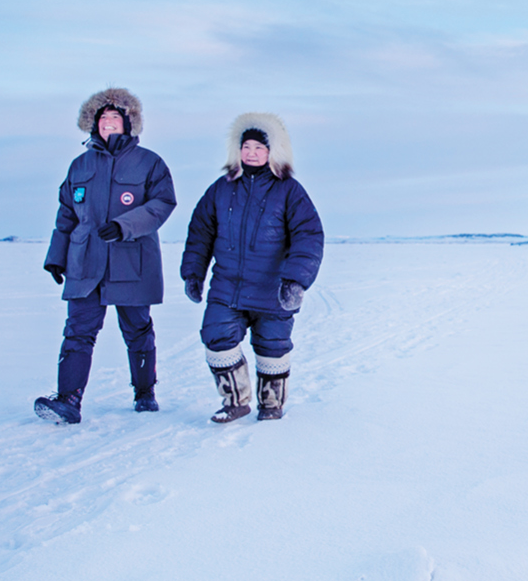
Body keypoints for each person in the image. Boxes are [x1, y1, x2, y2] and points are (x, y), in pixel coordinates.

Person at [36, 89, 177, 424]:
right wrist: (57, 256)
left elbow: (162, 204)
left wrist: (123, 226)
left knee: (137, 329)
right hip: (86, 261)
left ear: (129, 124)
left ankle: (145, 393)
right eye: (103, 119)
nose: (108, 124)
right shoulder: (80, 165)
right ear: (92, 125)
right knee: (78, 329)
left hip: (132, 260)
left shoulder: (150, 163)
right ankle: (69, 401)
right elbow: (67, 215)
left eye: (116, 118)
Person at [180, 112, 323, 423]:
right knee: (216, 336)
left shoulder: (289, 191)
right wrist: (194, 272)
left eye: (259, 147)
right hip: (228, 286)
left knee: (272, 347)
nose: (252, 153)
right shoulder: (221, 189)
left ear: (273, 152)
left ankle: (271, 405)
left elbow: (308, 236)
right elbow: (200, 232)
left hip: (273, 290)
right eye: (246, 147)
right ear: (237, 150)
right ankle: (235, 401)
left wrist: (295, 281)